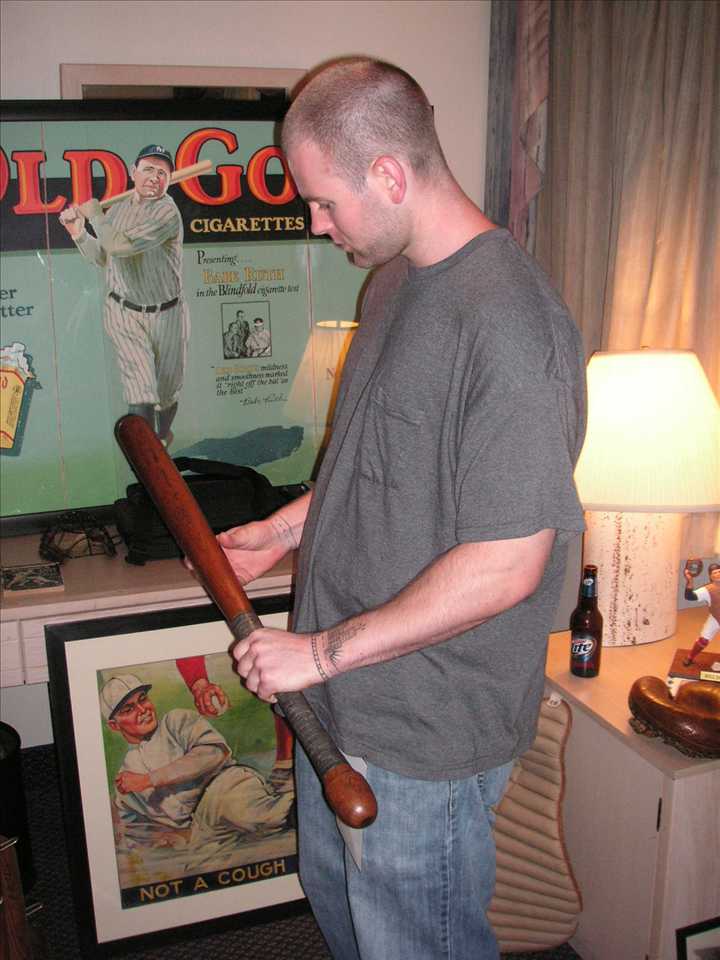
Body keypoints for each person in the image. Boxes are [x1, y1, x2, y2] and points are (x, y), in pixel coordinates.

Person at [213, 57, 587, 960]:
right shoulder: (392, 282)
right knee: (345, 920)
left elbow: (507, 564)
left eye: (324, 202)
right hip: (345, 704)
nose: (316, 223)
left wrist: (315, 653)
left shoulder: (511, 325)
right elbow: (374, 469)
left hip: (425, 734)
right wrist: (279, 532)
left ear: (388, 174)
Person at [59, 144, 190, 447]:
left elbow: (120, 246)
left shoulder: (167, 212)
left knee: (168, 391)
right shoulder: (117, 210)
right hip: (124, 311)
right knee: (140, 391)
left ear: (169, 180)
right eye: (148, 169)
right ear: (133, 172)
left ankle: (162, 435)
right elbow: (103, 258)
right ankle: (143, 454)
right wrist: (79, 232)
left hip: (167, 312)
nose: (154, 177)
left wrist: (96, 216)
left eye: (162, 172)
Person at [101, 673, 293, 851]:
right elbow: (132, 828)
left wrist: (149, 779)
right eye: (129, 709)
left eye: (143, 699)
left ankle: (296, 805)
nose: (142, 710)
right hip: (201, 829)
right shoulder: (127, 774)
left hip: (224, 788)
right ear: (114, 725)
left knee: (261, 814)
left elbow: (213, 753)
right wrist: (159, 838)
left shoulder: (175, 720)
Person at [682, 561, 720, 666]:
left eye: (719, 571)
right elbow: (689, 596)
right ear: (711, 577)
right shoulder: (708, 589)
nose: (718, 574)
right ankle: (690, 657)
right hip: (716, 618)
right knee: (703, 640)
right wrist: (690, 580)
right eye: (715, 573)